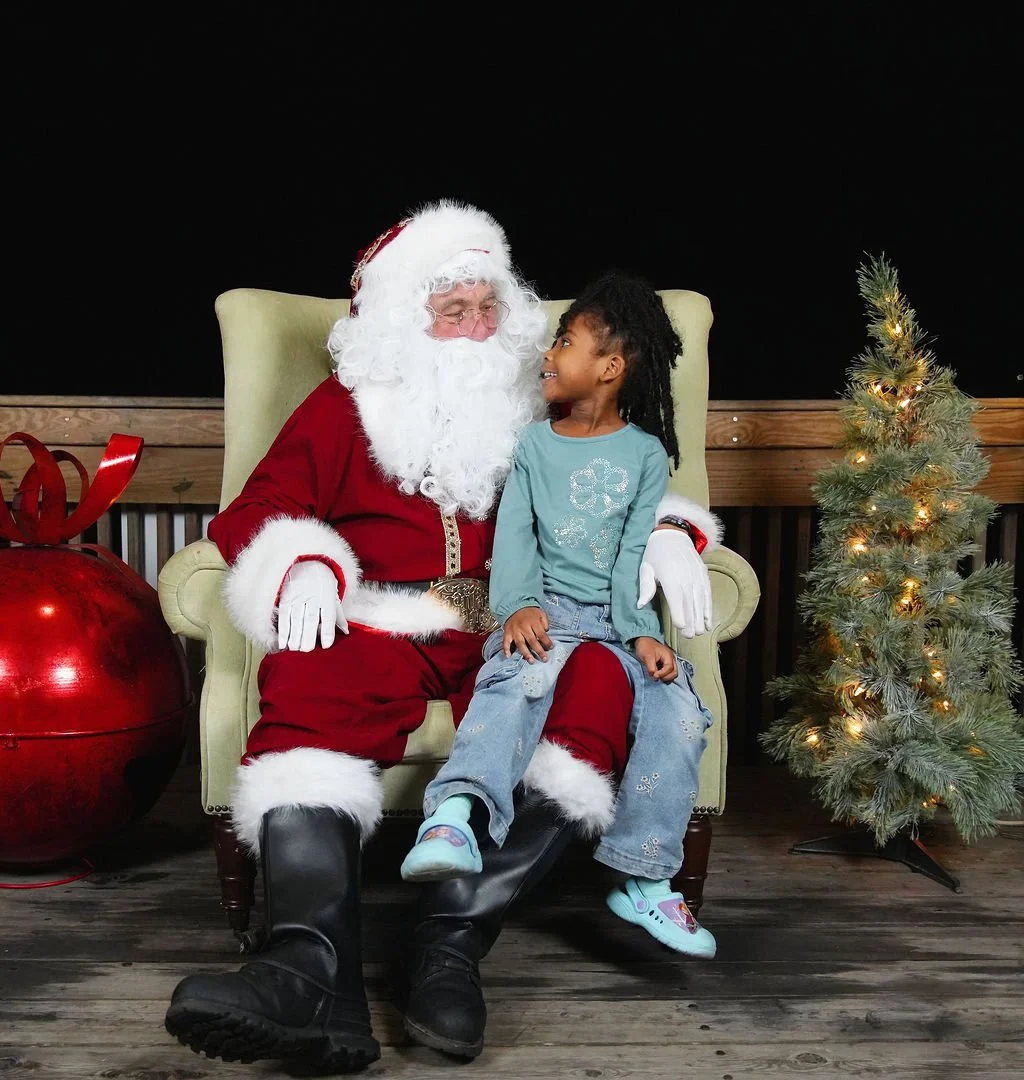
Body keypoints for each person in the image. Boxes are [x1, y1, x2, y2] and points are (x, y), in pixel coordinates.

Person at [163, 200, 720, 1073]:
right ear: (402, 321)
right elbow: (262, 504)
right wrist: (302, 562)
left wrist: (668, 535)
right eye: (451, 310)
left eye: (488, 307)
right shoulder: (345, 406)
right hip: (380, 617)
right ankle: (311, 969)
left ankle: (448, 945)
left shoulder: (542, 404)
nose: (475, 328)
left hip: (519, 622)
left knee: (600, 685)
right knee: (309, 679)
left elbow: (616, 481)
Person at [400, 271, 718, 963]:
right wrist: (518, 606)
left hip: (616, 623)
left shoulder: (645, 455)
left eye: (565, 342)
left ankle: (644, 876)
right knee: (518, 681)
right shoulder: (535, 446)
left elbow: (632, 554)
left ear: (609, 367)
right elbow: (515, 536)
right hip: (549, 612)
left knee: (679, 712)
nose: (548, 354)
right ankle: (454, 816)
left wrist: (643, 634)